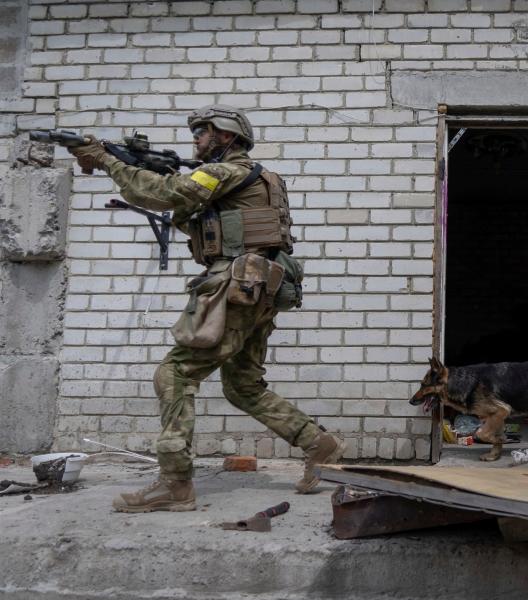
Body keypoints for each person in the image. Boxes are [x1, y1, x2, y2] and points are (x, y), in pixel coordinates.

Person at [68, 105, 344, 513]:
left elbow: (163, 195)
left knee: (175, 373)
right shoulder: (257, 177)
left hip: (235, 287)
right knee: (243, 385)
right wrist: (143, 167)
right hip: (259, 288)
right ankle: (319, 444)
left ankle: (175, 484)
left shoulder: (225, 172)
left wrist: (107, 160)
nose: (195, 140)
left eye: (202, 133)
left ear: (226, 137)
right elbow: (191, 215)